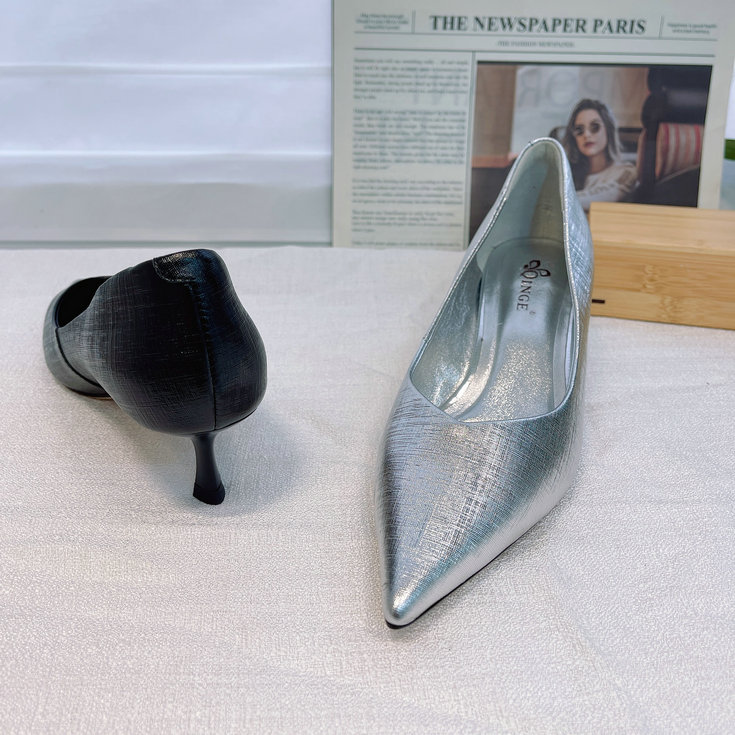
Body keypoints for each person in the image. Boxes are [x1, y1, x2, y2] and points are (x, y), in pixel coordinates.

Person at [562, 99, 637, 212]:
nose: (587, 135)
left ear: (608, 130)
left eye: (595, 127)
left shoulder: (626, 173)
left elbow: (600, 198)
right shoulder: (567, 176)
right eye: (579, 130)